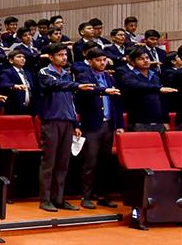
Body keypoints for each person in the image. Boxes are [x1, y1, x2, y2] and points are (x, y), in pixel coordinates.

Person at [37, 43, 95, 212]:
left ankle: (59, 198)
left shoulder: (68, 75)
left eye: (65, 55)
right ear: (51, 57)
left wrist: (75, 123)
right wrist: (77, 86)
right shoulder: (45, 73)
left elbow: (71, 101)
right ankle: (45, 198)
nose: (64, 58)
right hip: (51, 121)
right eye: (60, 55)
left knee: (63, 162)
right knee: (49, 162)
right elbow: (55, 85)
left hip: (67, 121)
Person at [75, 49, 123, 209]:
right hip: (92, 125)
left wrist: (119, 125)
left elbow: (116, 102)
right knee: (90, 162)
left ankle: (103, 195)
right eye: (98, 60)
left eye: (104, 60)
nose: (102, 63)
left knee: (106, 162)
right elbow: (87, 93)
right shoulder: (84, 76)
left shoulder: (109, 77)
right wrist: (103, 91)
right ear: (90, 61)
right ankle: (86, 196)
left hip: (108, 124)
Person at [118, 46, 177, 132]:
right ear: (133, 62)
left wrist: (165, 120)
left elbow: (162, 100)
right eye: (140, 59)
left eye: (147, 58)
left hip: (158, 122)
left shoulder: (155, 76)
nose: (145, 61)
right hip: (139, 123)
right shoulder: (128, 76)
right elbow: (139, 85)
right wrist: (158, 88)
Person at [0, 49, 35, 115]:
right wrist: (14, 86)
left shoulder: (28, 73)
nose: (22, 59)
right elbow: (3, 84)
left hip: (29, 108)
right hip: (14, 108)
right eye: (19, 57)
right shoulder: (7, 72)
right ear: (11, 60)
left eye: (24, 57)